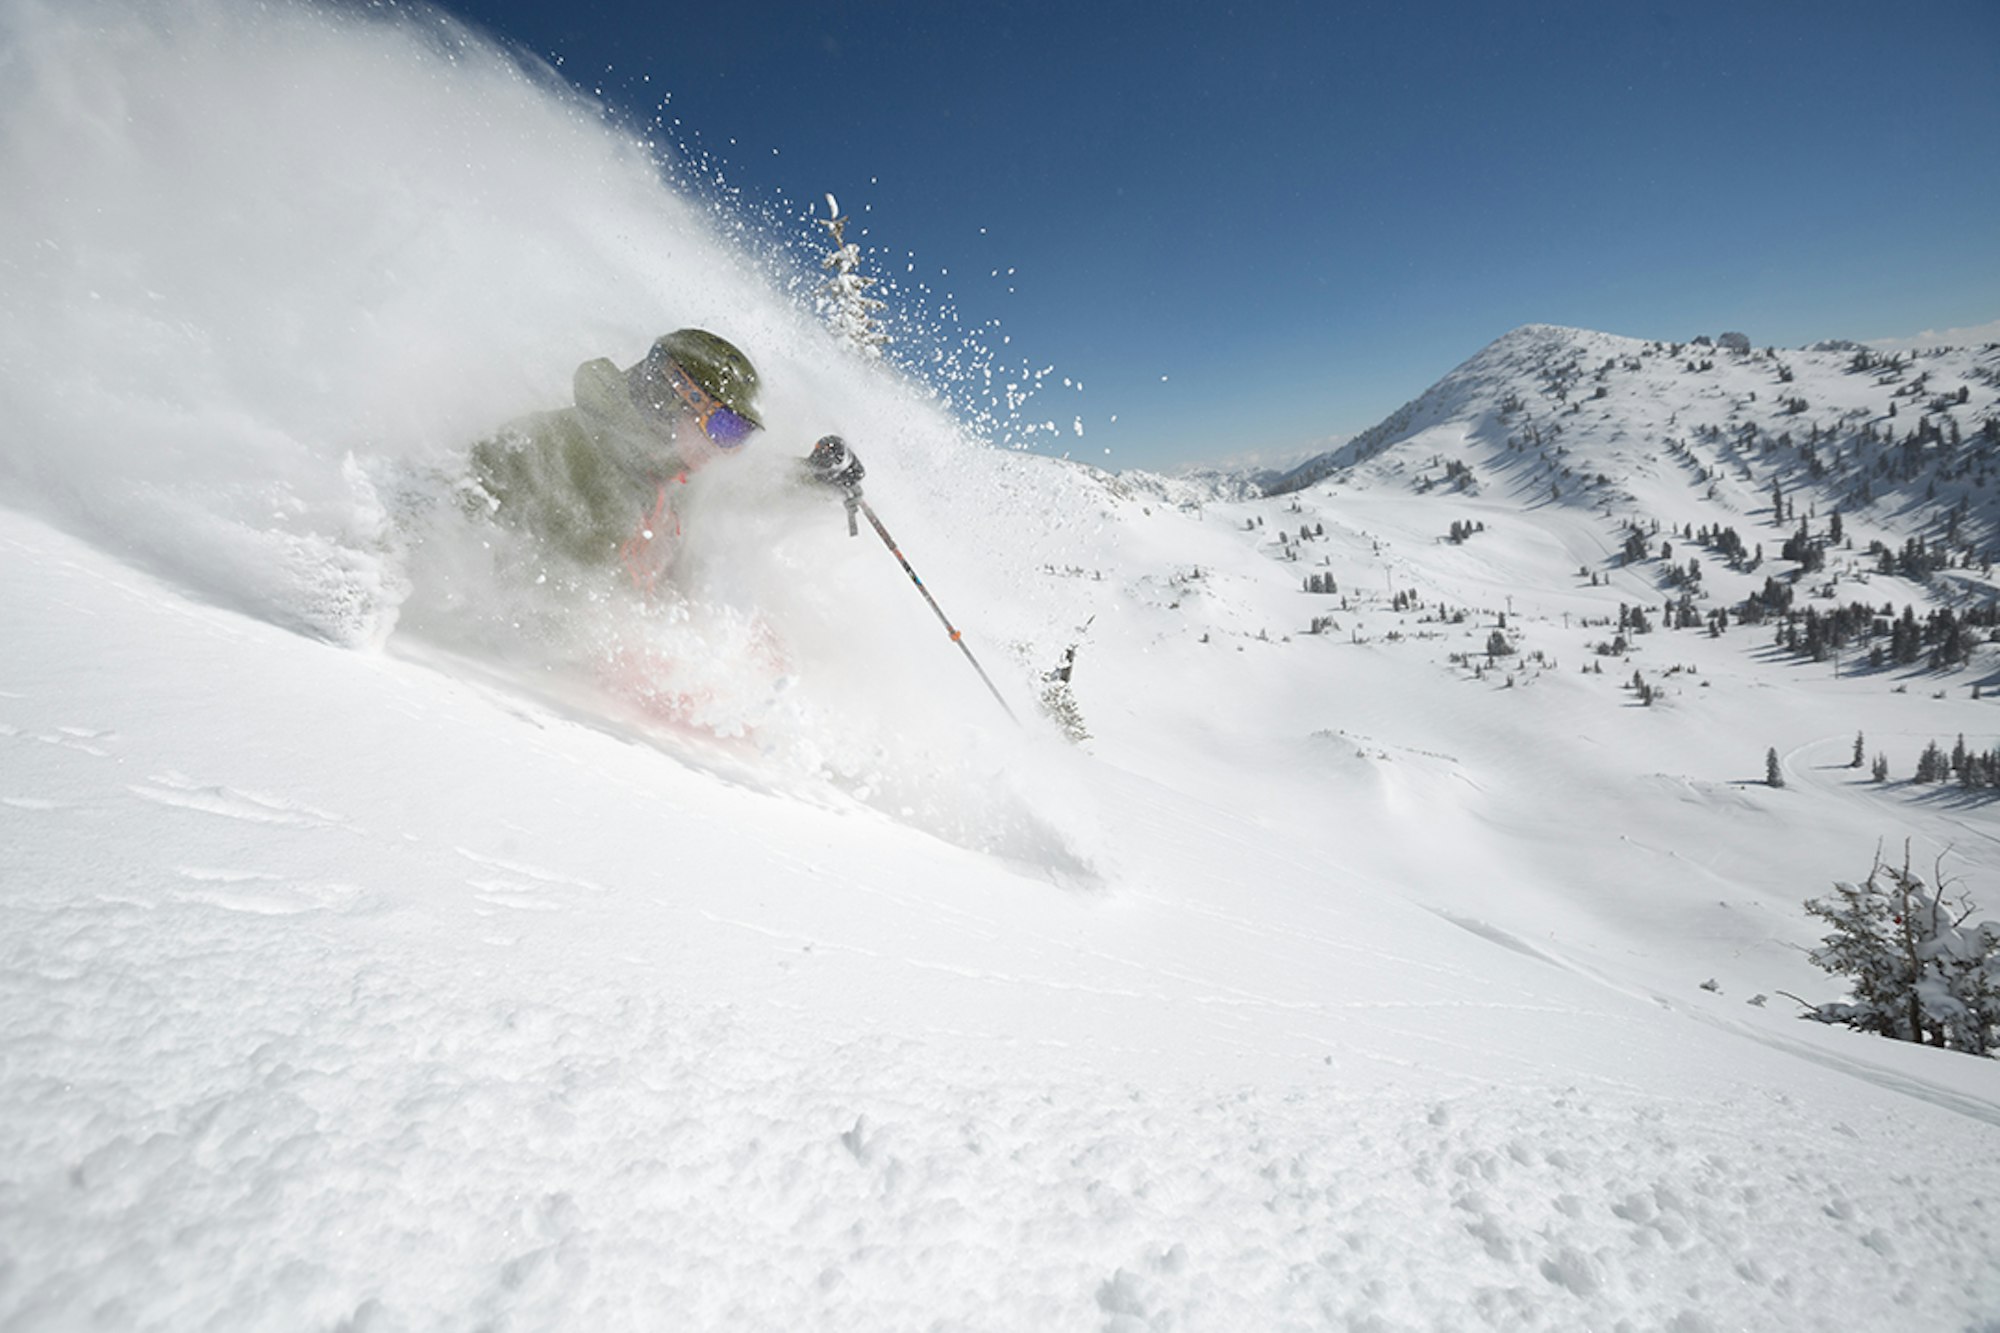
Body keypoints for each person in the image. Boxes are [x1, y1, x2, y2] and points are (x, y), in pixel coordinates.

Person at [466, 328, 862, 594]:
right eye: (723, 426)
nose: (725, 450)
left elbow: (744, 490)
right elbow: (554, 595)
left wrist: (816, 477)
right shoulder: (558, 451)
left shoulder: (670, 469)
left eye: (740, 435)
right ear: (668, 397)